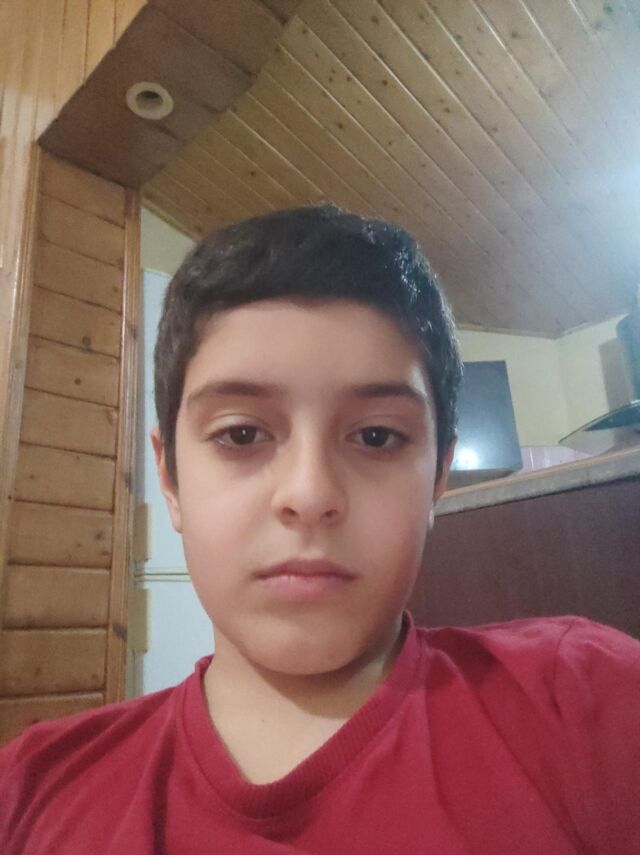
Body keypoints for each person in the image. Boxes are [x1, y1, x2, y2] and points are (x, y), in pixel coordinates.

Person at [1, 205, 638, 854]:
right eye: (241, 434)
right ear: (169, 478)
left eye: (377, 436)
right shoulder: (29, 795)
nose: (309, 495)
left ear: (437, 477)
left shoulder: (585, 701)